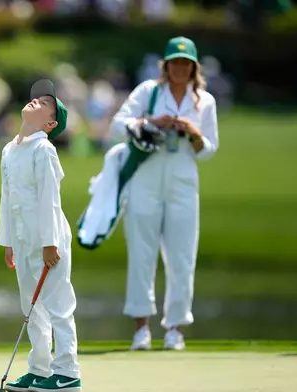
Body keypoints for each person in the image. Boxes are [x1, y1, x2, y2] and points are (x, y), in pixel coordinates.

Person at [109, 36, 219, 350]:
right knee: (142, 252)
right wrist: (149, 121)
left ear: (193, 67)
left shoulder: (204, 101)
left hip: (184, 180)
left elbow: (209, 149)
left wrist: (194, 133)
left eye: (186, 63)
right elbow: (119, 124)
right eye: (175, 62)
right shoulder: (148, 92)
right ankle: (141, 329)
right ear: (166, 65)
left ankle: (175, 329)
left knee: (182, 256)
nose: (180, 68)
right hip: (146, 177)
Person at [0, 79, 82, 392]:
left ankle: (68, 372)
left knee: (58, 305)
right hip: (22, 239)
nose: (35, 102)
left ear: (50, 122)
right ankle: (40, 368)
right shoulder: (9, 150)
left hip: (50, 240)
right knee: (31, 308)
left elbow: (50, 199)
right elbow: (7, 198)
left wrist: (50, 243)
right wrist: (8, 242)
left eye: (44, 103)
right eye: (35, 98)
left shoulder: (44, 150)